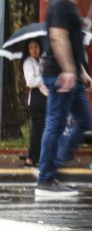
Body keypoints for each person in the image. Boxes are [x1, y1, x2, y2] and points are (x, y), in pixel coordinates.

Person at [35, 0, 92, 199]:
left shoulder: (69, 6)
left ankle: (52, 165)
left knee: (85, 120)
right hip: (60, 75)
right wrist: (69, 71)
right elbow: (58, 39)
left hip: (72, 74)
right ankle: (45, 180)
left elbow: (72, 43)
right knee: (56, 124)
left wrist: (81, 71)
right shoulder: (59, 4)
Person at [22, 39, 48, 169]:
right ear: (28, 49)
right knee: (38, 129)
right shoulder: (28, 63)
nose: (34, 49)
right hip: (36, 99)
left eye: (36, 46)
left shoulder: (43, 60)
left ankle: (38, 157)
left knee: (44, 129)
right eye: (31, 47)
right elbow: (31, 81)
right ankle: (30, 159)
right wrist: (43, 78)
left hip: (46, 97)